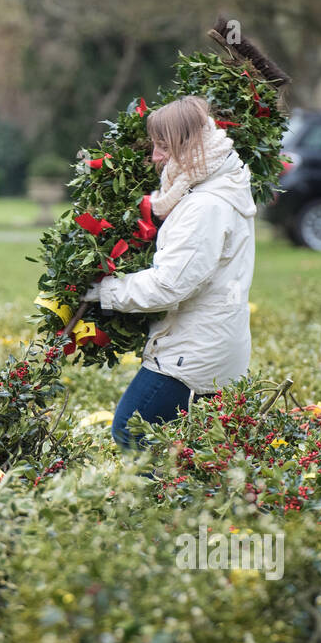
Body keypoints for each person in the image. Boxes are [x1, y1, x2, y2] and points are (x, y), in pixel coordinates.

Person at [82, 95, 256, 449]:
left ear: (191, 148)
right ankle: (188, 502)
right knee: (193, 452)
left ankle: (161, 504)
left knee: (131, 431)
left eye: (164, 147)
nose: (156, 157)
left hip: (192, 353)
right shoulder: (209, 188)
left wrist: (103, 291)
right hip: (211, 344)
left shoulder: (205, 205)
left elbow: (170, 285)